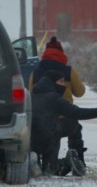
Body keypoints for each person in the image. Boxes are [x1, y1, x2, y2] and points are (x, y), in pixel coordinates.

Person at [30, 70, 97, 177]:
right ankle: (67, 161)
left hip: (29, 141)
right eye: (61, 82)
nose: (64, 85)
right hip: (49, 140)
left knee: (38, 171)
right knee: (50, 171)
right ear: (53, 82)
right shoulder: (55, 98)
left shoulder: (29, 96)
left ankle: (33, 161)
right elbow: (78, 113)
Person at [27, 36, 88, 175]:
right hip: (64, 119)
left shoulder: (35, 72)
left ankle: (37, 160)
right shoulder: (68, 71)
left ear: (45, 53)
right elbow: (80, 92)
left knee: (41, 137)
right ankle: (78, 159)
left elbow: (31, 94)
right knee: (75, 128)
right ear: (62, 53)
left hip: (41, 121)